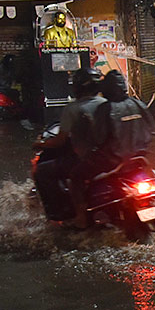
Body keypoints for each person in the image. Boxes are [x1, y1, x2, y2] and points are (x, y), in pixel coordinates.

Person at [33, 68, 105, 225]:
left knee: (42, 171)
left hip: (87, 160)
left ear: (77, 87)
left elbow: (59, 141)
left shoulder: (73, 109)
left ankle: (65, 215)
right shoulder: (107, 104)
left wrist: (39, 144)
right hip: (110, 157)